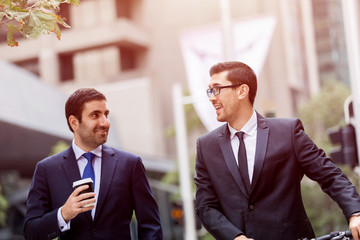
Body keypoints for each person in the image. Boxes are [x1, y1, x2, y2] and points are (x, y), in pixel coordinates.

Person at [194, 61, 360, 240]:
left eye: (217, 89)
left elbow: (330, 175)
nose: (211, 97)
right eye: (210, 91)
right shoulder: (206, 146)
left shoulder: (288, 132)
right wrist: (235, 237)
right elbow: (205, 206)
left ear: (242, 91)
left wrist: (355, 213)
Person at [24, 88, 163, 240]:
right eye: (95, 115)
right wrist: (64, 214)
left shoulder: (130, 164)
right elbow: (31, 232)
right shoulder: (47, 169)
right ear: (74, 123)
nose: (105, 122)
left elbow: (151, 226)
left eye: (106, 114)